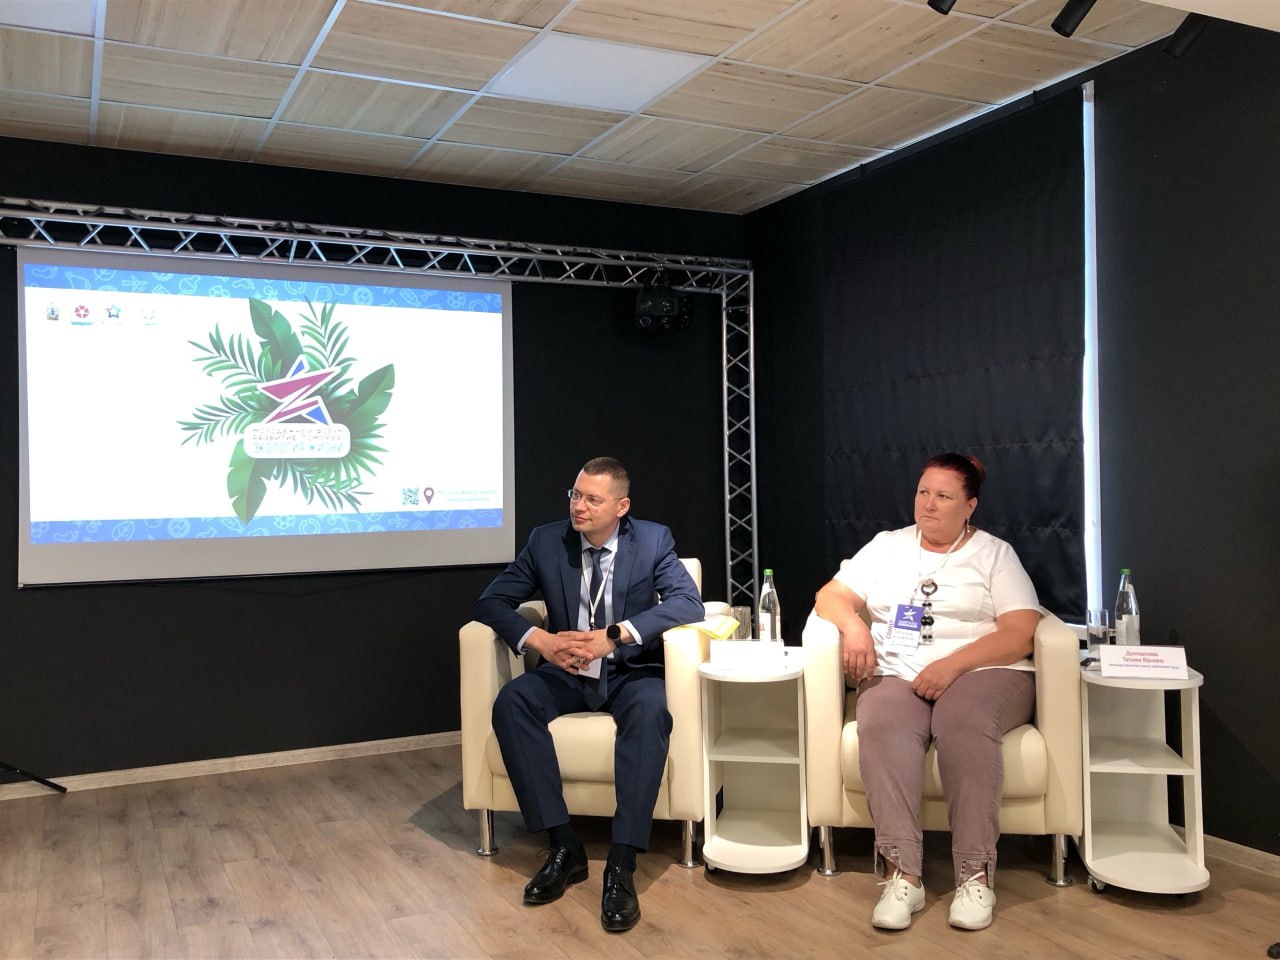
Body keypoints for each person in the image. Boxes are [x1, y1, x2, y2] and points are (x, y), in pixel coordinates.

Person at [473, 456, 704, 933]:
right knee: (512, 702)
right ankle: (564, 845)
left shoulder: (653, 540)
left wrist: (615, 636)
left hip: (630, 670)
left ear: (621, 506)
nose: (578, 506)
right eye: (575, 495)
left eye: (592, 499)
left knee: (650, 710)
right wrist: (541, 641)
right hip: (568, 671)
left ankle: (622, 862)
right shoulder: (546, 540)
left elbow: (687, 603)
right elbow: (491, 601)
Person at [813, 452, 1040, 933]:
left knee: (963, 723)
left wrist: (952, 665)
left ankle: (974, 875)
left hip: (984, 670)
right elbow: (830, 596)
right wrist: (854, 628)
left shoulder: (995, 554)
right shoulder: (887, 546)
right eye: (923, 492)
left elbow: (1020, 631)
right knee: (881, 722)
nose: (928, 504)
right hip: (899, 670)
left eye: (943, 496)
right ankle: (903, 875)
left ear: (970, 505)